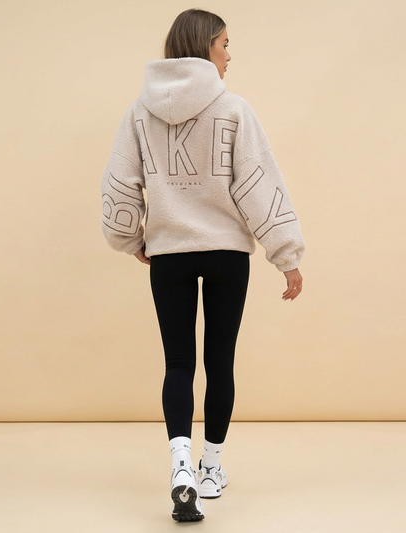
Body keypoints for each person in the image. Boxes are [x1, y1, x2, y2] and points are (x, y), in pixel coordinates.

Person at [100, 8, 305, 522]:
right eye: (224, 44)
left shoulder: (139, 113)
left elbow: (121, 184)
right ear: (204, 46)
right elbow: (258, 184)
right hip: (226, 254)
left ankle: (180, 469)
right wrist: (287, 256)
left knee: (177, 364)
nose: (229, 55)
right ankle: (211, 468)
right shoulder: (234, 109)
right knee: (220, 363)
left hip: (168, 255)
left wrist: (130, 239)